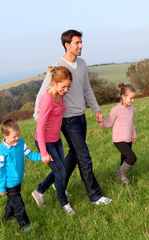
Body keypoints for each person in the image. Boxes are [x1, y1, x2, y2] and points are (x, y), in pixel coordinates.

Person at [33, 29, 112, 205]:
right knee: (84, 157)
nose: (81, 46)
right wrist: (39, 118)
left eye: (81, 42)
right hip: (67, 120)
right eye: (77, 43)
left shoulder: (82, 64)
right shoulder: (58, 67)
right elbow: (42, 93)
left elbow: (87, 89)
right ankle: (95, 196)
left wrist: (96, 109)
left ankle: (43, 188)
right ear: (67, 45)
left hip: (81, 116)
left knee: (74, 155)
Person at [31, 66, 75, 214]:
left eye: (68, 86)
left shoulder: (60, 95)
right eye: (64, 86)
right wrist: (43, 152)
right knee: (61, 173)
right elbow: (40, 127)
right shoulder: (47, 99)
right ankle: (64, 203)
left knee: (60, 171)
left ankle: (40, 190)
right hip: (46, 142)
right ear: (54, 83)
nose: (66, 90)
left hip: (56, 139)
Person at [0, 119, 51, 231]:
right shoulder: (1, 152)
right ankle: (24, 225)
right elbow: (0, 172)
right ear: (5, 136)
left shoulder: (20, 143)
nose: (17, 139)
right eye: (14, 137)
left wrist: (42, 157)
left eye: (18, 135)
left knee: (11, 201)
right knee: (19, 205)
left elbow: (29, 154)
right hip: (9, 183)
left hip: (18, 180)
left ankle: (7, 217)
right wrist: (1, 187)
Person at [97, 83, 137, 184]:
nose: (133, 101)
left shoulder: (132, 109)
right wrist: (101, 122)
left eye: (134, 98)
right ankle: (121, 175)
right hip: (119, 140)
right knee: (132, 158)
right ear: (123, 97)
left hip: (128, 138)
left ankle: (120, 174)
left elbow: (131, 122)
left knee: (124, 159)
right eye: (130, 98)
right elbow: (108, 123)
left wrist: (134, 134)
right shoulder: (116, 110)